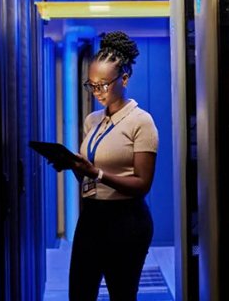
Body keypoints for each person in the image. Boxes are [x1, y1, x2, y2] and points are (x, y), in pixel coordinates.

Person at [54, 31, 159, 301]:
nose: (97, 91)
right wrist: (75, 167)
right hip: (91, 218)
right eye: (92, 85)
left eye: (104, 84)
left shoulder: (141, 121)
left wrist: (96, 173)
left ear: (124, 78)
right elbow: (89, 179)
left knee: (122, 295)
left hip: (127, 221)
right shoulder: (93, 121)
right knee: (79, 293)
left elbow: (142, 184)